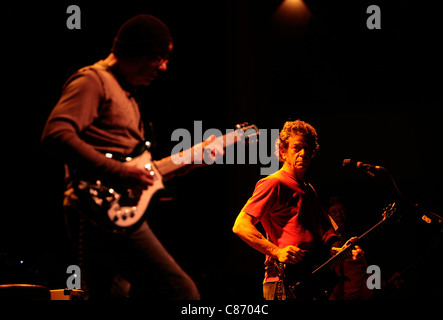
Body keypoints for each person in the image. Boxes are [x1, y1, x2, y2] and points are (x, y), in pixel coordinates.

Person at [41, 14, 219, 300]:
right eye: (157, 57)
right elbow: (56, 135)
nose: (164, 67)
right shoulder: (92, 81)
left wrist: (192, 159)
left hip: (111, 210)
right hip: (96, 209)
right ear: (133, 51)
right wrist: (119, 173)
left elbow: (138, 168)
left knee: (110, 295)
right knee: (181, 292)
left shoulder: (128, 95)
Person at [232, 119, 363, 300]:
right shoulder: (273, 183)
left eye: (308, 149)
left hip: (310, 279)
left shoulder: (309, 189)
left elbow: (321, 236)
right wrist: (277, 252)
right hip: (284, 281)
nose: (303, 153)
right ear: (283, 152)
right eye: (297, 148)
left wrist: (340, 251)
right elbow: (240, 225)